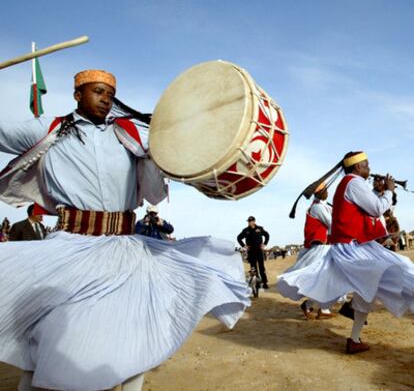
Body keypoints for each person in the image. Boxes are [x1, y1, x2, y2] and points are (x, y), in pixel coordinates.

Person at [0, 69, 250, 391]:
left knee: (132, 331)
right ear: (78, 94)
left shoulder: (130, 133)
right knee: (54, 332)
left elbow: (178, 143)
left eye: (109, 94)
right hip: (70, 247)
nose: (105, 100)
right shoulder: (49, 129)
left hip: (123, 248)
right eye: (98, 92)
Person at [275, 151, 414, 354]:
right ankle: (349, 324)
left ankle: (354, 339)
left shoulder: (349, 184)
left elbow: (367, 211)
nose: (369, 168)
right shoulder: (354, 182)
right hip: (353, 248)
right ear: (357, 167)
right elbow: (376, 209)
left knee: (367, 290)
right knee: (402, 270)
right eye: (366, 164)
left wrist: (382, 192)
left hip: (352, 247)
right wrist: (389, 191)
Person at [278, 183, 335, 319]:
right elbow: (332, 224)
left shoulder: (323, 206)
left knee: (324, 279)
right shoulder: (317, 207)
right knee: (324, 278)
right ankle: (322, 309)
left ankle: (311, 305)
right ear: (319, 193)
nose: (327, 192)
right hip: (320, 248)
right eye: (325, 190)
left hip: (323, 247)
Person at [237, 216, 270, 289]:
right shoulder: (245, 230)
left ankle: (265, 283)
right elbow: (239, 238)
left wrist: (265, 243)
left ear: (254, 221)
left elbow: (267, 235)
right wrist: (244, 246)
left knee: (261, 267)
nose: (250, 222)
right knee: (253, 268)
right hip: (251, 251)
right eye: (249, 221)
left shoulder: (260, 228)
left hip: (259, 250)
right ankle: (257, 283)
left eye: (251, 221)